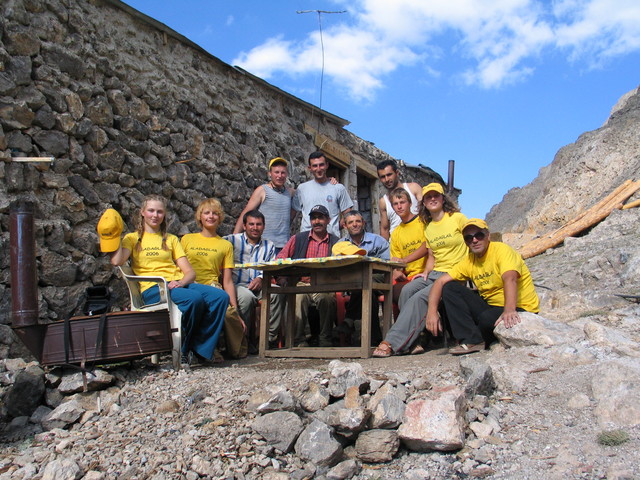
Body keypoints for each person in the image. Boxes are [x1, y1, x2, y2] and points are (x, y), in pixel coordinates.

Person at [107, 195, 229, 365]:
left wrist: (181, 282)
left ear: (164, 215)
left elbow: (189, 272)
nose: (155, 215)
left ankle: (200, 348)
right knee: (193, 300)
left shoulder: (171, 239)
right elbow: (116, 261)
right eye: (151, 210)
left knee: (220, 297)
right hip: (153, 289)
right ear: (142, 212)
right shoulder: (133, 238)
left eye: (159, 212)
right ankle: (185, 349)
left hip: (177, 286)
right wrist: (113, 236)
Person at [373, 183, 468, 357]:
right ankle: (412, 341)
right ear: (423, 202)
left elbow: (473, 239)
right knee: (407, 290)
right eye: (428, 197)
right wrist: (426, 271)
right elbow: (432, 254)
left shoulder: (456, 218)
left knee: (418, 299)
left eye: (436, 196)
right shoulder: (431, 226)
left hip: (454, 273)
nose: (432, 199)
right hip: (434, 273)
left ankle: (391, 342)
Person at [425, 218, 540, 355]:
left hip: (518, 307)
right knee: (450, 288)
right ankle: (471, 340)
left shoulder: (501, 250)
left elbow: (510, 278)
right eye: (468, 238)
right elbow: (440, 282)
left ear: (488, 236)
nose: (474, 240)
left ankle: (476, 338)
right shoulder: (469, 261)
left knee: (486, 319)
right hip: (491, 307)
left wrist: (509, 310)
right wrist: (431, 313)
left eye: (479, 235)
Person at [181, 198, 247, 359]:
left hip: (212, 286)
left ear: (220, 217)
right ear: (200, 217)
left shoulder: (225, 245)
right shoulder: (186, 240)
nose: (211, 216)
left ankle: (231, 350)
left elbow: (228, 280)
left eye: (215, 213)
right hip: (189, 285)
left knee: (229, 314)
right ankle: (203, 350)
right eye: (207, 213)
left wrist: (235, 308)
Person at [277, 204, 339, 347]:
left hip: (325, 286)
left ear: (328, 220)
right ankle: (298, 340)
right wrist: (282, 277)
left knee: (327, 299)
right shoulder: (298, 239)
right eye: (313, 218)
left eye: (321, 218)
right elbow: (280, 259)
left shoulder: (336, 242)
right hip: (302, 284)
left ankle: (325, 339)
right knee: (298, 297)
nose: (317, 221)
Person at [224, 209, 286, 349]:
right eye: (251, 224)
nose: (255, 228)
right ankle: (243, 338)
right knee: (246, 298)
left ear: (263, 226)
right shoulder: (231, 240)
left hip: (260, 284)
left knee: (278, 293)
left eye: (258, 224)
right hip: (237, 284)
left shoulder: (269, 245)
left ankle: (267, 339)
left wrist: (261, 278)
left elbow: (270, 267)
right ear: (244, 226)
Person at [333, 210, 390, 345]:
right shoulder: (340, 244)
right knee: (369, 294)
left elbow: (387, 264)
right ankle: (374, 340)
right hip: (353, 283)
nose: (355, 225)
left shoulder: (377, 241)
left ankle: (349, 320)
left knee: (365, 282)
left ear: (363, 223)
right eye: (351, 222)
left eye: (358, 221)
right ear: (345, 226)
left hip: (378, 278)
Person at [233, 157, 295, 252]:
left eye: (283, 172)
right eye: (276, 172)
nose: (280, 175)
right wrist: (234, 239)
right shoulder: (262, 190)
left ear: (286, 174)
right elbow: (246, 213)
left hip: (283, 246)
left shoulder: (290, 193)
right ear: (270, 173)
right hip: (264, 246)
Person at [292, 151, 353, 237]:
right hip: (307, 239)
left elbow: (348, 214)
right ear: (309, 168)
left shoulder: (338, 188)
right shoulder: (302, 188)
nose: (319, 169)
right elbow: (292, 213)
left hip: (331, 239)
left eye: (321, 165)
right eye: (315, 166)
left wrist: (335, 227)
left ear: (327, 165)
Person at [388, 187, 427, 303]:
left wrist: (404, 260)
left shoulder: (422, 222)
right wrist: (396, 271)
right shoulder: (396, 233)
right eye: (395, 204)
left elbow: (428, 246)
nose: (399, 207)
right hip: (408, 276)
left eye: (402, 202)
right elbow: (397, 261)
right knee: (392, 292)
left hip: (426, 273)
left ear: (410, 203)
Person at [376, 159, 422, 240]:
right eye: (383, 177)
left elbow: (425, 211)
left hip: (418, 237)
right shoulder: (383, 201)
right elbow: (385, 229)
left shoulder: (413, 188)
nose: (386, 179)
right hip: (396, 244)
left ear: (397, 173)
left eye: (389, 175)